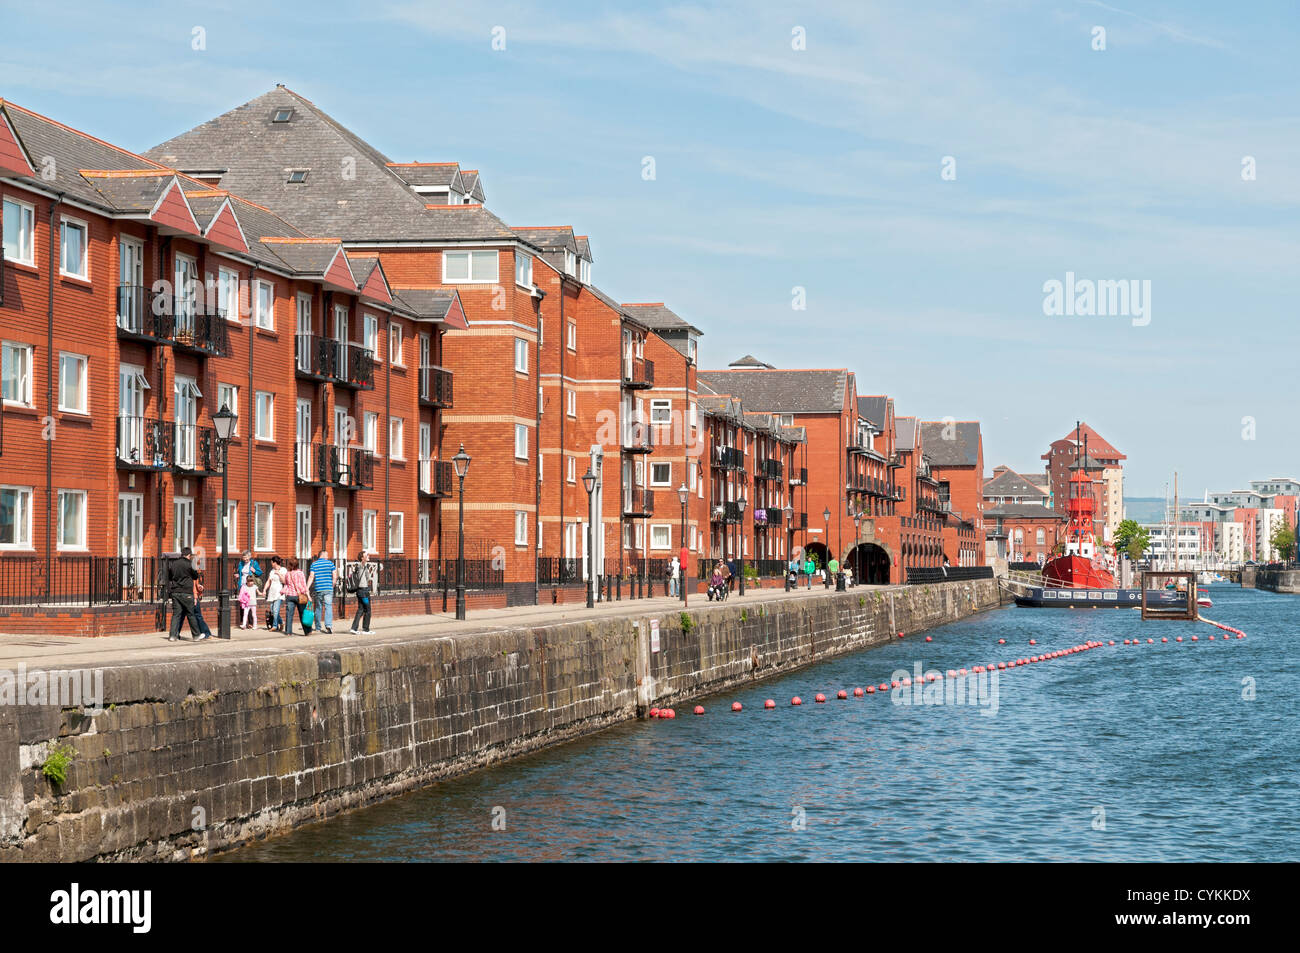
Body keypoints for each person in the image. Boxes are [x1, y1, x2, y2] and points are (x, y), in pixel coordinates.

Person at [166, 547, 206, 642]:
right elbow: (195, 576)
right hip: (186, 592)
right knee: (191, 614)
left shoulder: (174, 563)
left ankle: (172, 636)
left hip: (175, 592)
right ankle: (196, 635)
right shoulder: (190, 564)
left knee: (176, 615)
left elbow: (170, 576)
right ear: (189, 555)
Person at [349, 550, 380, 635]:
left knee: (360, 609)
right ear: (362, 558)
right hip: (363, 592)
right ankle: (365, 629)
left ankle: (354, 628)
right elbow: (366, 577)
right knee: (368, 610)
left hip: (360, 591)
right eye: (367, 555)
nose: (368, 556)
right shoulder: (361, 566)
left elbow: (367, 578)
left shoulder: (362, 566)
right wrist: (364, 562)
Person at [308, 548, 337, 634]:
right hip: (328, 588)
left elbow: (311, 577)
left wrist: (307, 587)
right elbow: (335, 576)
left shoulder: (314, 564)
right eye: (327, 555)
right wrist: (333, 584)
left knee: (318, 607)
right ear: (322, 555)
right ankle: (328, 625)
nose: (328, 557)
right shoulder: (330, 564)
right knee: (328, 607)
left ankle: (317, 627)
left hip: (318, 588)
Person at [282, 558, 310, 636]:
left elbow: (286, 584)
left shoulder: (288, 574)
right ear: (297, 565)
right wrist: (307, 594)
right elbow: (304, 585)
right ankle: (307, 631)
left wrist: (282, 591)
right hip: (299, 596)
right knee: (302, 614)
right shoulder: (300, 573)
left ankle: (288, 632)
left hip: (290, 596)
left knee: (289, 614)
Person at [264, 556, 287, 631]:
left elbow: (284, 581)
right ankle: (281, 622)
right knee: (273, 610)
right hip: (272, 593)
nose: (271, 564)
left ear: (274, 562)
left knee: (276, 610)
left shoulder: (283, 570)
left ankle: (275, 626)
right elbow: (268, 581)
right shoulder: (272, 571)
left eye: (272, 562)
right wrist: (264, 590)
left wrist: (279, 573)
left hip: (279, 593)